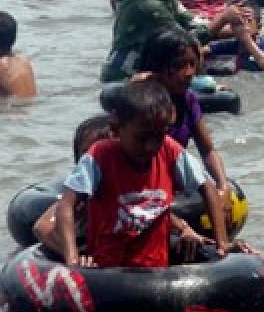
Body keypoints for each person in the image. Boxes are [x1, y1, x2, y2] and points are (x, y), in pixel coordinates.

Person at [53, 80, 215, 268]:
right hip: (107, 269)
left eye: (158, 136)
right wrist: (72, 257)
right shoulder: (100, 156)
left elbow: (207, 188)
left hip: (155, 269)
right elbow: (66, 204)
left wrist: (221, 244)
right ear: (116, 128)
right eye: (141, 138)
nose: (150, 146)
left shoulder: (169, 150)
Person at [132, 26, 233, 252]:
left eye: (192, 64)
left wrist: (223, 187)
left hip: (174, 186)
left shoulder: (188, 101)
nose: (188, 73)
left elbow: (208, 151)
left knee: (222, 197)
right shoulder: (141, 107)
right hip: (143, 187)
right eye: (178, 66)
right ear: (157, 68)